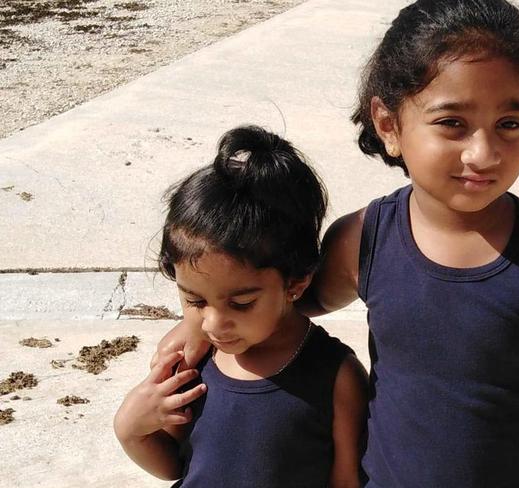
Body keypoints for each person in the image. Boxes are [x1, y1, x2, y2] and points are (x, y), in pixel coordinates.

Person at [154, 0, 519, 486]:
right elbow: (277, 300)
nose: (483, 153)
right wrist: (199, 322)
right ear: (389, 124)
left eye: (510, 124)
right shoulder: (365, 241)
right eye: (452, 123)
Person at [114, 125, 368, 487]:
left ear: (296, 282)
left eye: (242, 303)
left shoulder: (335, 376)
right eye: (194, 300)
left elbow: (346, 481)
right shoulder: (190, 361)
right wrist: (130, 430)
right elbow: (173, 465)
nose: (214, 324)